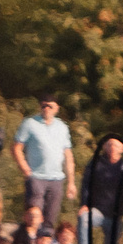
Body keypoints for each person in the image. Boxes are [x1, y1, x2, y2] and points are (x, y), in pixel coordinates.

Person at [11, 96, 72, 234]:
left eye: (50, 106)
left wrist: (71, 182)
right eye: (43, 105)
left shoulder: (62, 127)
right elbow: (16, 147)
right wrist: (25, 169)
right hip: (36, 177)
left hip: (57, 179)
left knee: (50, 218)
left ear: (56, 108)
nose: (46, 109)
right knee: (33, 215)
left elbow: (68, 155)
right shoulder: (30, 123)